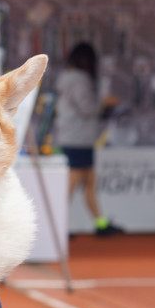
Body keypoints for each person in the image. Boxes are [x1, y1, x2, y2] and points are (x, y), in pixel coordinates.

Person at [54, 42, 123, 237]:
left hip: (76, 138)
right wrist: (105, 103)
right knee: (72, 184)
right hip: (78, 139)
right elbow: (87, 107)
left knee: (89, 182)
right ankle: (58, 225)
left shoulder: (66, 77)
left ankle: (100, 223)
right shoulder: (79, 79)